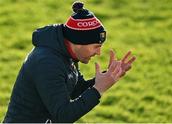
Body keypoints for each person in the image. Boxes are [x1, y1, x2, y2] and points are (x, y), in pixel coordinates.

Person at [3, 1, 136, 123]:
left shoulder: (65, 53)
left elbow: (75, 89)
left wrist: (109, 75)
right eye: (96, 46)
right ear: (79, 42)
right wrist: (98, 89)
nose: (99, 52)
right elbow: (63, 115)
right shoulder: (47, 63)